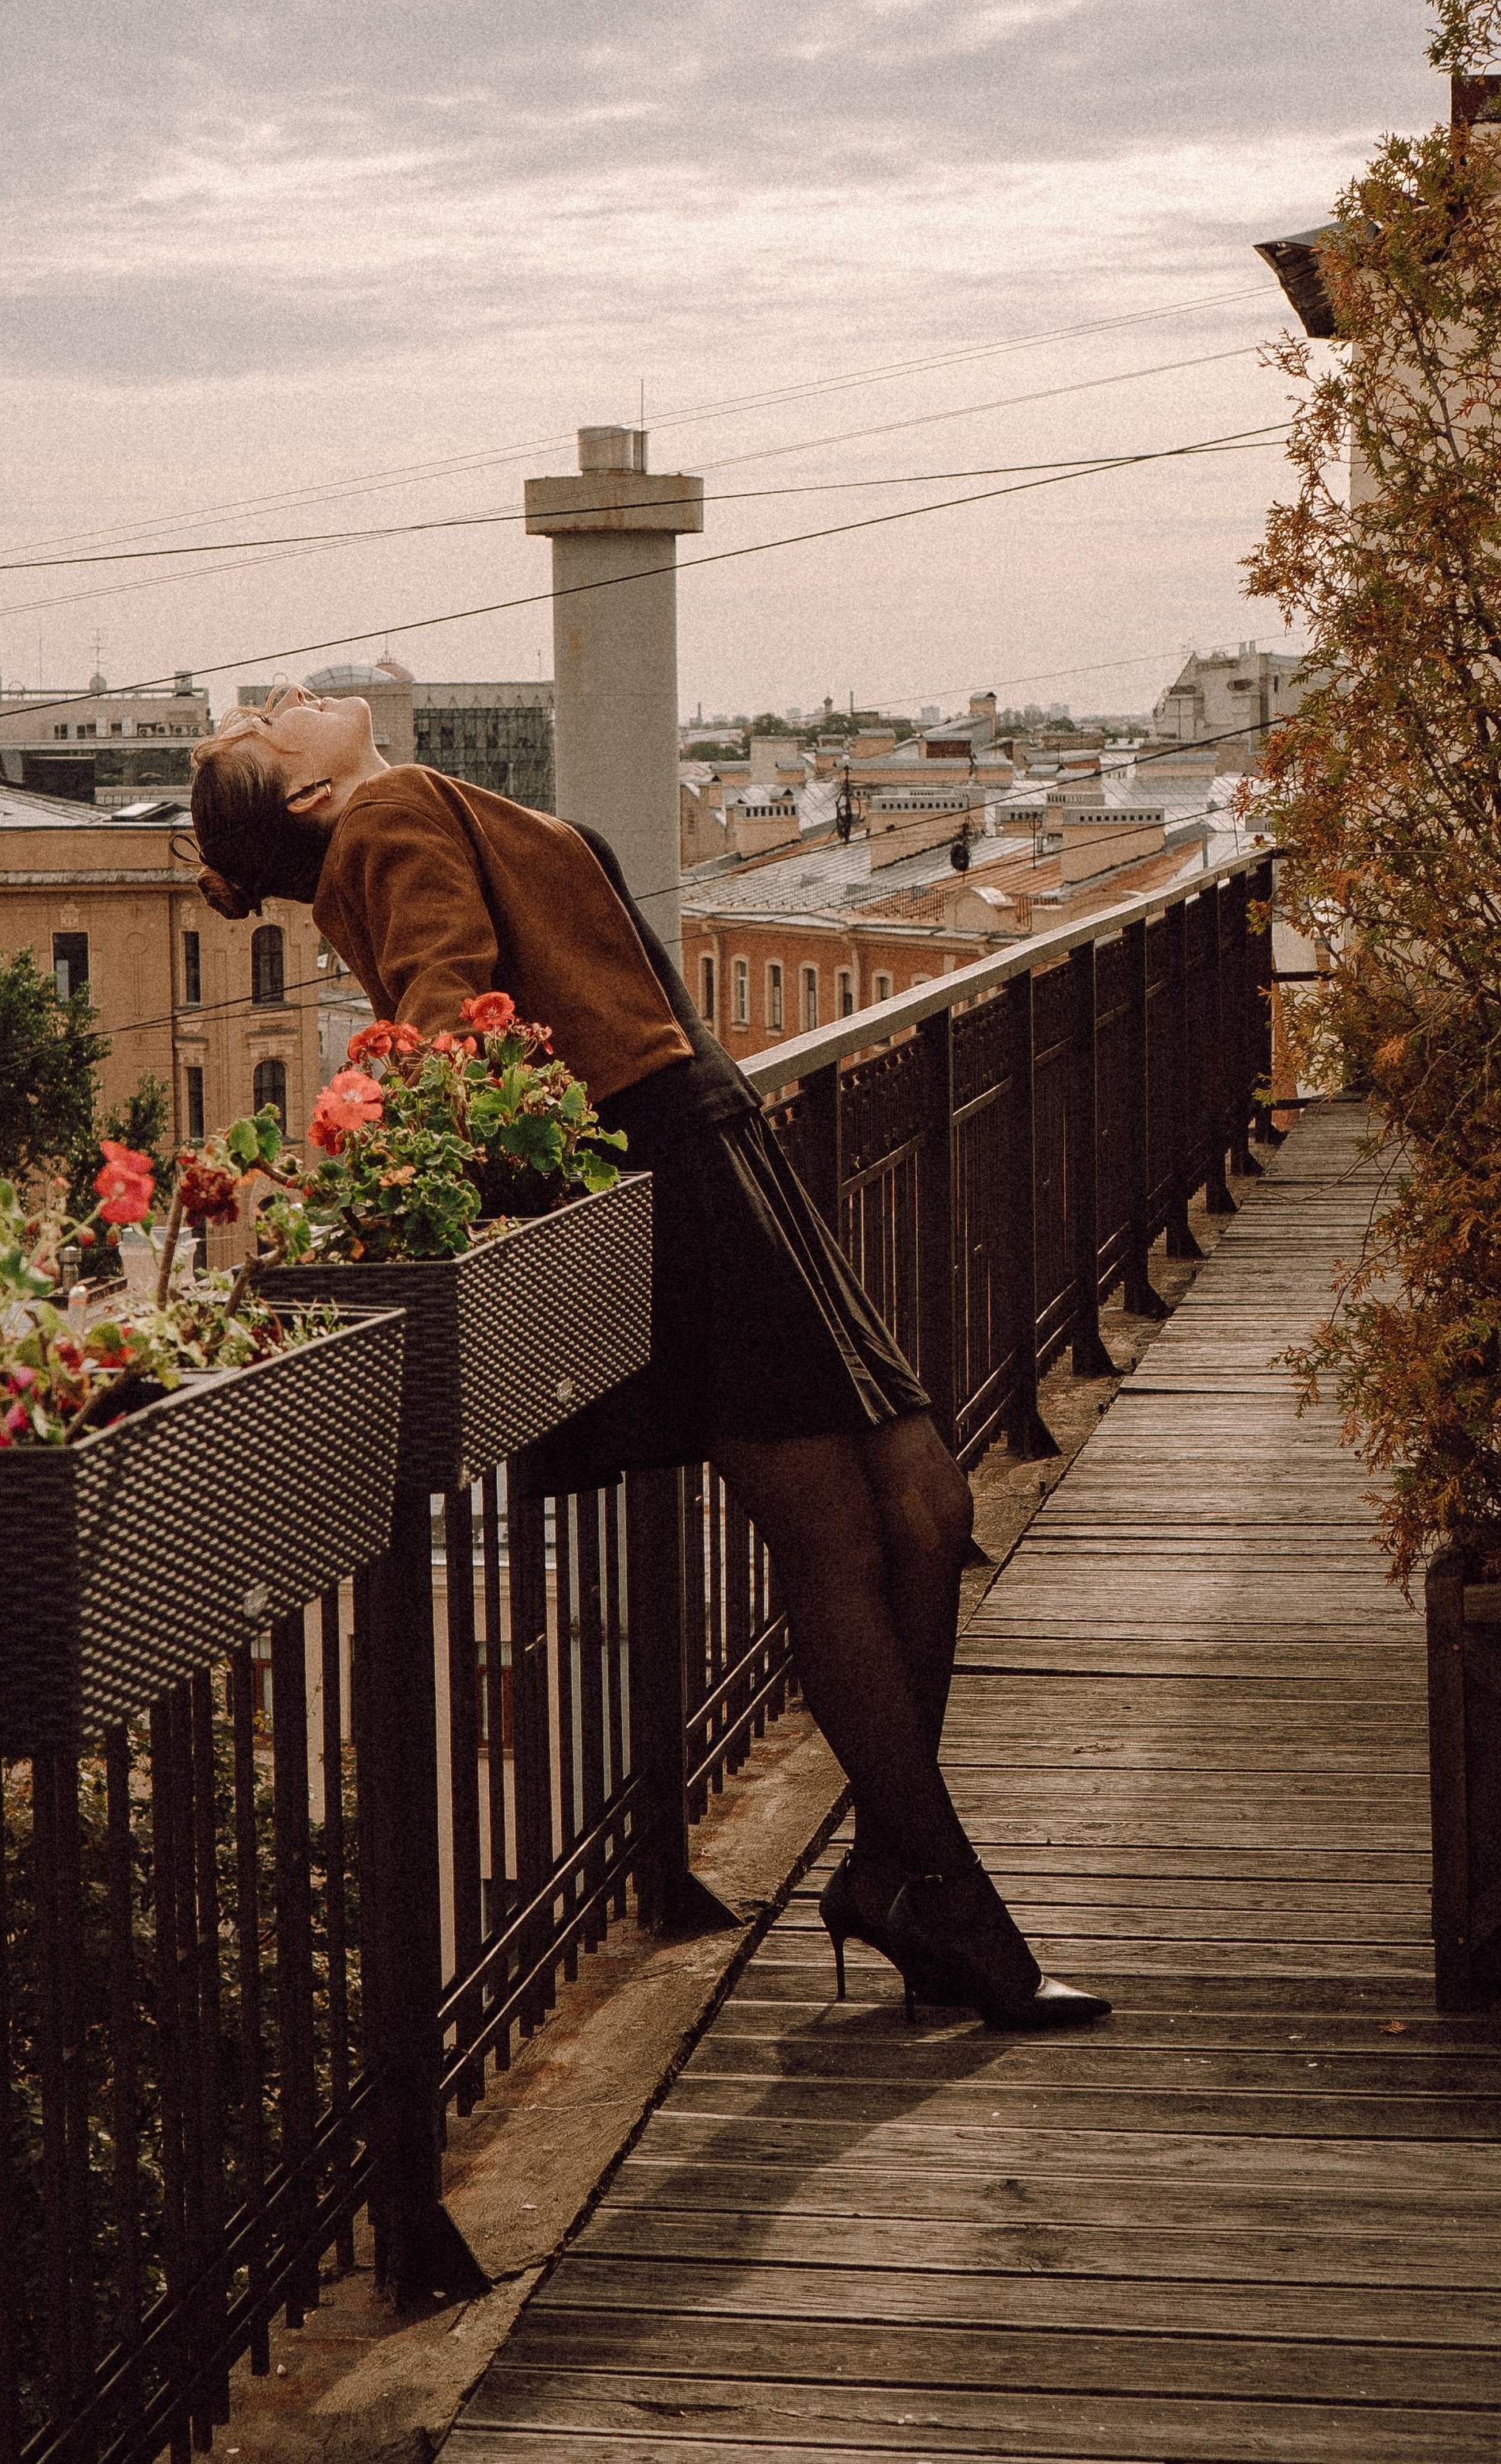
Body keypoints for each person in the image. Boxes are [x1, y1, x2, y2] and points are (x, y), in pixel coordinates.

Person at [191, 688, 1107, 2031]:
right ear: (312, 798)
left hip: (706, 1140)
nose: (289, 701)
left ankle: (901, 1869)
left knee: (922, 1507)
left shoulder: (403, 802)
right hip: (668, 1160)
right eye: (270, 729)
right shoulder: (387, 814)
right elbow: (448, 1018)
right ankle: (941, 1891)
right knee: (856, 1527)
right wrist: (429, 1151)